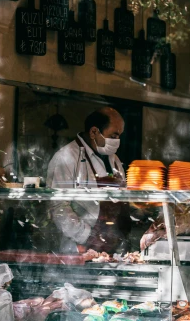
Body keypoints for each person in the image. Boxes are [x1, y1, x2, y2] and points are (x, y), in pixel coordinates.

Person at [46, 107, 129, 254]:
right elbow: (58, 207)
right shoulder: (66, 158)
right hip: (80, 248)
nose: (117, 141)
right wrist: (87, 236)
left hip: (112, 245)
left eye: (119, 136)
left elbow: (123, 195)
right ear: (93, 132)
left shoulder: (114, 159)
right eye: (114, 135)